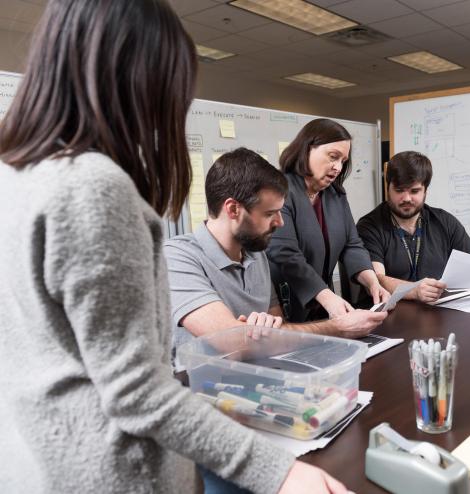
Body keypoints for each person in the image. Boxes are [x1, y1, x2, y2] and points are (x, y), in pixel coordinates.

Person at [0, 1, 348, 493]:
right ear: (138, 83)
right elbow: (137, 392)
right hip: (109, 471)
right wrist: (280, 471)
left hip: (33, 461)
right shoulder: (92, 189)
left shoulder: (14, 175)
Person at [165, 147, 387, 363]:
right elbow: (234, 342)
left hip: (257, 376)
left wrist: (263, 333)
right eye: (270, 213)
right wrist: (339, 328)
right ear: (233, 209)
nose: (280, 223)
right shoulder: (176, 258)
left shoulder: (256, 253)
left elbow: (280, 332)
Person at [267, 119, 389, 322]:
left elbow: (352, 245)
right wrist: (326, 296)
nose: (338, 167)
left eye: (343, 161)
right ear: (307, 149)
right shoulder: (281, 190)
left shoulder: (335, 195)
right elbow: (286, 254)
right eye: (333, 157)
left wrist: (372, 281)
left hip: (324, 308)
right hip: (286, 306)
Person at [357, 151, 470, 303]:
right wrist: (414, 290)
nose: (406, 198)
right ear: (388, 188)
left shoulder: (444, 221)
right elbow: (376, 279)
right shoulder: (369, 226)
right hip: (387, 316)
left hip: (436, 313)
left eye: (414, 191)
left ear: (425, 190)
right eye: (399, 190)